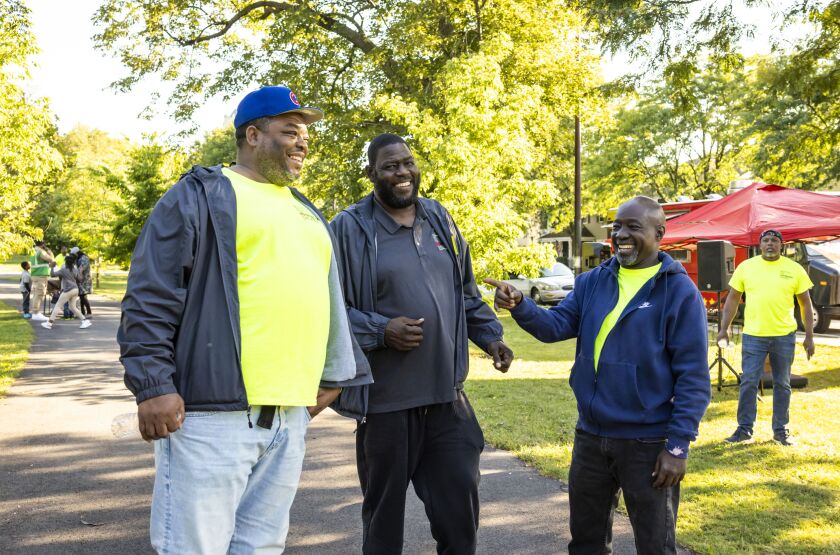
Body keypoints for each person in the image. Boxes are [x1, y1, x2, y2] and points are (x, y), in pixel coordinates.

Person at [117, 85, 371, 554]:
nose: (302, 142)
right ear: (252, 135)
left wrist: (338, 374)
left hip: (289, 418)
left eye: (305, 134)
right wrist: (153, 384)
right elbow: (151, 294)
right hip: (212, 415)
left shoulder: (305, 211)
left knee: (260, 548)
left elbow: (327, 299)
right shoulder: (200, 195)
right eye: (289, 131)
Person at [486, 196, 711, 555]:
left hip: (647, 444)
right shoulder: (594, 281)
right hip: (591, 436)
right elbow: (555, 325)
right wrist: (521, 305)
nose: (620, 234)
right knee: (586, 542)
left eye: (632, 227)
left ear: (659, 234)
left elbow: (694, 378)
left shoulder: (679, 292)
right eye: (617, 227)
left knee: (656, 546)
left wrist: (677, 445)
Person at [330, 133, 514, 555]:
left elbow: (465, 293)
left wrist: (491, 338)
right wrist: (381, 331)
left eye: (407, 163)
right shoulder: (349, 227)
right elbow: (329, 308)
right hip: (385, 407)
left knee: (460, 516)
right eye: (390, 166)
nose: (402, 173)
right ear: (371, 173)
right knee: (383, 525)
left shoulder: (440, 219)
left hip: (446, 400)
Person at [718, 229, 814, 446]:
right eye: (766, 240)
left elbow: (805, 303)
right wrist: (724, 328)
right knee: (749, 382)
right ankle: (744, 430)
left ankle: (781, 431)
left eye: (774, 241)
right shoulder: (746, 267)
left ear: (782, 245)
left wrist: (809, 336)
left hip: (784, 336)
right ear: (760, 245)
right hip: (754, 335)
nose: (770, 244)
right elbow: (733, 299)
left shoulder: (794, 269)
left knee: (783, 384)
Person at [41, 253, 91, 330]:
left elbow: (53, 275)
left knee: (58, 306)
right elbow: (79, 278)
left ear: (66, 262)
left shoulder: (64, 269)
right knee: (72, 307)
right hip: (75, 289)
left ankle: (49, 323)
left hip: (68, 290)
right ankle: (84, 321)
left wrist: (52, 267)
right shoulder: (75, 269)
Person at [28, 241, 54, 321]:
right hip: (41, 275)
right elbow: (51, 259)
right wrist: (49, 251)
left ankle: (35, 312)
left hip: (35, 274)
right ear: (43, 244)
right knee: (39, 294)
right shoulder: (41, 251)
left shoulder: (33, 251)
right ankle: (36, 313)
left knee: (36, 294)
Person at [72, 247, 93, 317]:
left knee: (83, 296)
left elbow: (81, 268)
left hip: (85, 280)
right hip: (80, 279)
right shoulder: (78, 258)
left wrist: (79, 276)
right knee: (81, 296)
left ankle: (89, 312)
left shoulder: (84, 258)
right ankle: (83, 312)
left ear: (77, 253)